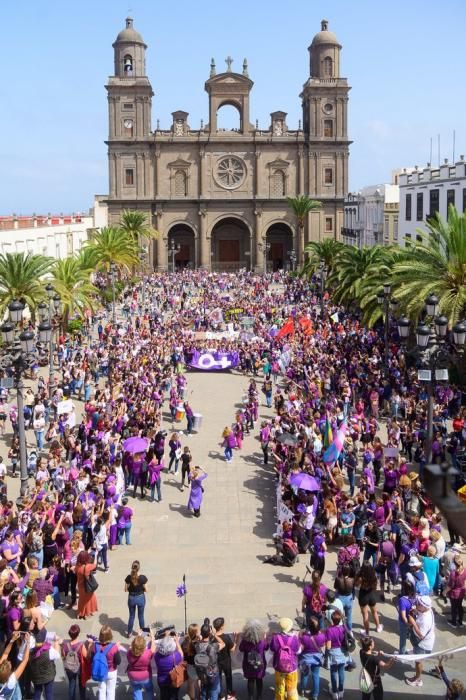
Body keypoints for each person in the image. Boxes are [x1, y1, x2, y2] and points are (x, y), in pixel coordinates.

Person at [405, 595, 435, 687]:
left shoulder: (425, 621)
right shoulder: (428, 610)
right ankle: (438, 671)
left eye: (419, 604)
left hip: (423, 644)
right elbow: (421, 611)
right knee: (426, 657)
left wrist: (413, 622)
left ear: (424, 606)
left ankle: (418, 679)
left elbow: (421, 636)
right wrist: (416, 610)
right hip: (427, 640)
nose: (416, 604)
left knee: (418, 662)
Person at [269, 617, 300, 700]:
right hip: (292, 667)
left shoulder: (275, 638)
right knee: (292, 688)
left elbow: (272, 650)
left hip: (279, 666)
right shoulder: (294, 638)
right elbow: (297, 651)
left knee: (280, 686)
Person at [194, 618, 225, 700]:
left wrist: (199, 638)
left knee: (204, 692)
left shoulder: (197, 646)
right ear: (209, 632)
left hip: (201, 673)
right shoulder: (213, 646)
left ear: (201, 633)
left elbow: (197, 641)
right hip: (212, 673)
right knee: (214, 693)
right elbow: (223, 644)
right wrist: (214, 635)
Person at [238, 619, 269, 700]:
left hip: (248, 664)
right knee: (259, 679)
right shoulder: (262, 641)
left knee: (250, 680)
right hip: (260, 663)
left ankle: (250, 697)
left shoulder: (245, 641)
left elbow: (241, 649)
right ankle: (259, 696)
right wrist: (265, 638)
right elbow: (267, 647)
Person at [89, 625, 122, 700]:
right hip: (111, 671)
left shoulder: (95, 646)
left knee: (101, 690)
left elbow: (92, 659)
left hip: (100, 671)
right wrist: (117, 648)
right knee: (111, 691)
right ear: (110, 636)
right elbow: (118, 661)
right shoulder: (114, 647)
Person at [29, 627, 61, 700]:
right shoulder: (49, 650)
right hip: (48, 676)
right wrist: (56, 642)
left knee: (37, 693)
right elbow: (57, 655)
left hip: (36, 676)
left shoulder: (31, 649)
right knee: (49, 694)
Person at [297, 616, 325, 700]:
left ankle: (302, 690)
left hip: (305, 659)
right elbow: (322, 645)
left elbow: (300, 646)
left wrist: (300, 634)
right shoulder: (321, 636)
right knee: (315, 676)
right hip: (316, 659)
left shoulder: (304, 637)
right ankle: (315, 694)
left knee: (304, 675)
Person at [359, 635, 394, 700]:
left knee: (365, 696)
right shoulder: (374, 659)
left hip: (365, 678)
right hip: (375, 681)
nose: (374, 643)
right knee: (378, 696)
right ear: (370, 646)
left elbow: (369, 654)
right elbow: (386, 666)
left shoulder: (361, 652)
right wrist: (392, 660)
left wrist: (377, 654)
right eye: (373, 642)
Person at [0, 630, 30, 700]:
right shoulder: (12, 680)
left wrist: (12, 640)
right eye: (9, 664)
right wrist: (28, 643)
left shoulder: (11, 678)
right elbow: (25, 660)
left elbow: (5, 654)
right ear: (8, 673)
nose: (9, 662)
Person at [127, 631, 156, 700]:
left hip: (133, 676)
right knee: (149, 690)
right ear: (144, 647)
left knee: (137, 691)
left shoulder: (129, 653)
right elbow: (153, 648)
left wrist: (138, 636)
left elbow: (132, 647)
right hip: (146, 676)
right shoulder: (147, 653)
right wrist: (152, 637)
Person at [356, 563, 383, 635]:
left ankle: (366, 632)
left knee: (365, 615)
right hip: (371, 595)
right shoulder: (373, 575)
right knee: (374, 612)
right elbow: (375, 585)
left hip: (363, 596)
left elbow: (357, 585)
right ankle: (378, 627)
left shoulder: (360, 578)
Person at [325, 610, 346, 700]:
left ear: (332, 620)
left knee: (333, 672)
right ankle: (341, 691)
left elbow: (328, 646)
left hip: (333, 653)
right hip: (342, 652)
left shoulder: (329, 630)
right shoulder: (344, 628)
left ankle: (334, 692)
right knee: (341, 672)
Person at [212, 617, 235, 700]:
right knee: (228, 677)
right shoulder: (226, 637)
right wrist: (235, 641)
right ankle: (229, 693)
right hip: (226, 660)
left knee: (219, 678)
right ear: (222, 626)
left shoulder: (212, 638)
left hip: (216, 661)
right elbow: (232, 649)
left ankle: (220, 695)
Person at [61, 624, 86, 700]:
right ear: (78, 634)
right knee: (82, 684)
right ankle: (82, 698)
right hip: (79, 668)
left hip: (69, 668)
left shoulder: (65, 645)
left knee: (72, 684)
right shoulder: (81, 645)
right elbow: (86, 656)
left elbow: (63, 656)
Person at [125, 561, 148, 637]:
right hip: (140, 598)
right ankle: (142, 633)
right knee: (141, 616)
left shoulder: (128, 578)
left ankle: (129, 633)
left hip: (131, 598)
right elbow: (146, 589)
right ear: (139, 568)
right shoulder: (142, 578)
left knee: (131, 616)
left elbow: (125, 589)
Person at [74, 550, 98, 620]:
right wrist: (96, 555)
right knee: (89, 599)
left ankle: (80, 613)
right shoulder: (87, 567)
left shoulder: (77, 566)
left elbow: (75, 570)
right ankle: (87, 613)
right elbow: (95, 565)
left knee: (81, 600)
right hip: (88, 587)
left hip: (80, 587)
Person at [445, 556, 466, 628]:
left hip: (454, 593)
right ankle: (460, 622)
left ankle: (453, 623)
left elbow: (450, 586)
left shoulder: (453, 573)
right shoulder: (465, 570)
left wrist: (444, 592)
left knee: (454, 608)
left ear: (454, 563)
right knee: (460, 607)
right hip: (461, 592)